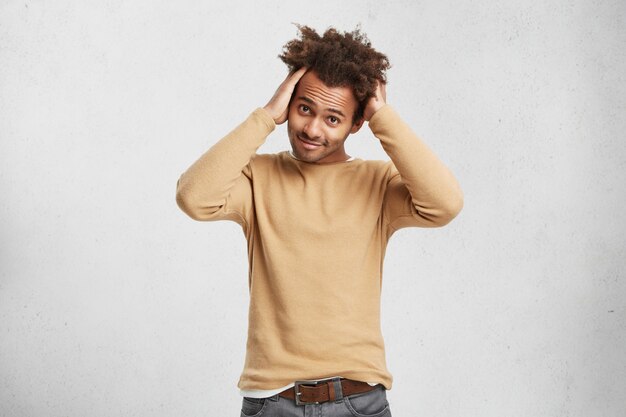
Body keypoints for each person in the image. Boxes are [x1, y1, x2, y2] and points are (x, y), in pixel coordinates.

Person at [176, 25, 463, 417]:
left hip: (360, 400)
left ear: (355, 124)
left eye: (333, 118)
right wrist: (265, 117)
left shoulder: (377, 183)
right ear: (290, 102)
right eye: (304, 108)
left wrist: (382, 116)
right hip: (273, 401)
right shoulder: (258, 177)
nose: (312, 129)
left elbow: (445, 204)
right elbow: (194, 197)